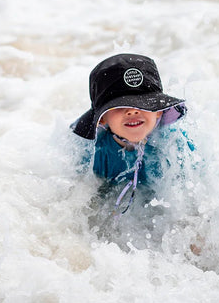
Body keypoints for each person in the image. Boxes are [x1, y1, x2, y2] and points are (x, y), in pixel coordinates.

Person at [71, 53, 194, 214]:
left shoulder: (176, 146)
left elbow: (192, 199)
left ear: (158, 112)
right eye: (120, 106)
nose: (132, 111)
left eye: (144, 103)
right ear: (102, 119)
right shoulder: (94, 153)